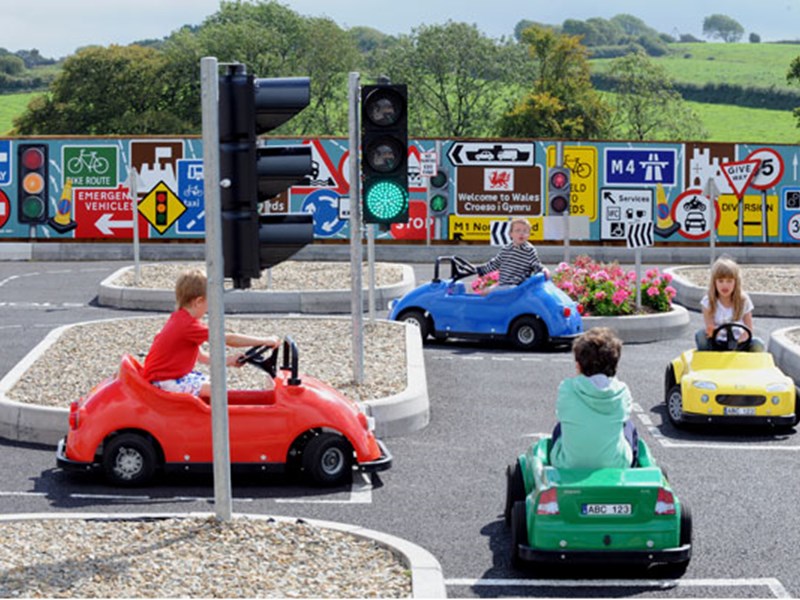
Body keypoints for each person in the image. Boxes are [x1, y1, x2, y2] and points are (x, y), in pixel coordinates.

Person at [142, 269, 281, 398]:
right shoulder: (188, 326)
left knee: (212, 383)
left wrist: (228, 360)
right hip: (163, 381)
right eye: (210, 301)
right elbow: (228, 339)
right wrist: (264, 340)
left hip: (167, 377)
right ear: (199, 301)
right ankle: (218, 417)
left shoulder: (181, 319)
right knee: (216, 389)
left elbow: (202, 356)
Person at [550, 327, 639, 470]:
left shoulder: (567, 388)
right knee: (628, 425)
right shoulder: (622, 391)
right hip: (615, 465)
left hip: (569, 465)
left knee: (561, 427)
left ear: (578, 365)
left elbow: (562, 414)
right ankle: (631, 472)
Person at [695, 256, 765, 352]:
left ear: (736, 282)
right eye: (721, 281)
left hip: (739, 343)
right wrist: (713, 332)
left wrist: (741, 340)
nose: (725, 285)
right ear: (714, 283)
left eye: (729, 281)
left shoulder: (743, 300)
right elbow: (710, 327)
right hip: (717, 342)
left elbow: (749, 328)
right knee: (700, 335)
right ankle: (705, 359)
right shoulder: (708, 302)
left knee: (758, 344)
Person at [473, 218, 544, 293]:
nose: (521, 233)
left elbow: (536, 265)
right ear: (511, 234)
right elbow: (495, 263)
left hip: (518, 287)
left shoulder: (529, 250)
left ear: (529, 235)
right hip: (503, 285)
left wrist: (542, 270)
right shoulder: (506, 249)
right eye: (517, 230)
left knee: (489, 291)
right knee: (485, 291)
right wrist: (481, 270)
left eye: (525, 231)